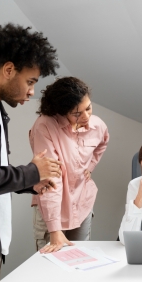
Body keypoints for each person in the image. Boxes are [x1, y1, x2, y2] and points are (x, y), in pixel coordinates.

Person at [0, 23, 61, 281]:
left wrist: (30, 183)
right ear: (8, 69)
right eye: (30, 81)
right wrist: (28, 172)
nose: (31, 92)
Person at [29, 76, 109, 253]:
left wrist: (90, 167)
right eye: (77, 113)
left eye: (88, 108)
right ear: (61, 111)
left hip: (82, 203)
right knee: (49, 267)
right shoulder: (45, 126)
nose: (86, 117)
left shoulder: (98, 125)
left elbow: (103, 143)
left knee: (79, 262)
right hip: (52, 207)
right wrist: (55, 230)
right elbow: (50, 180)